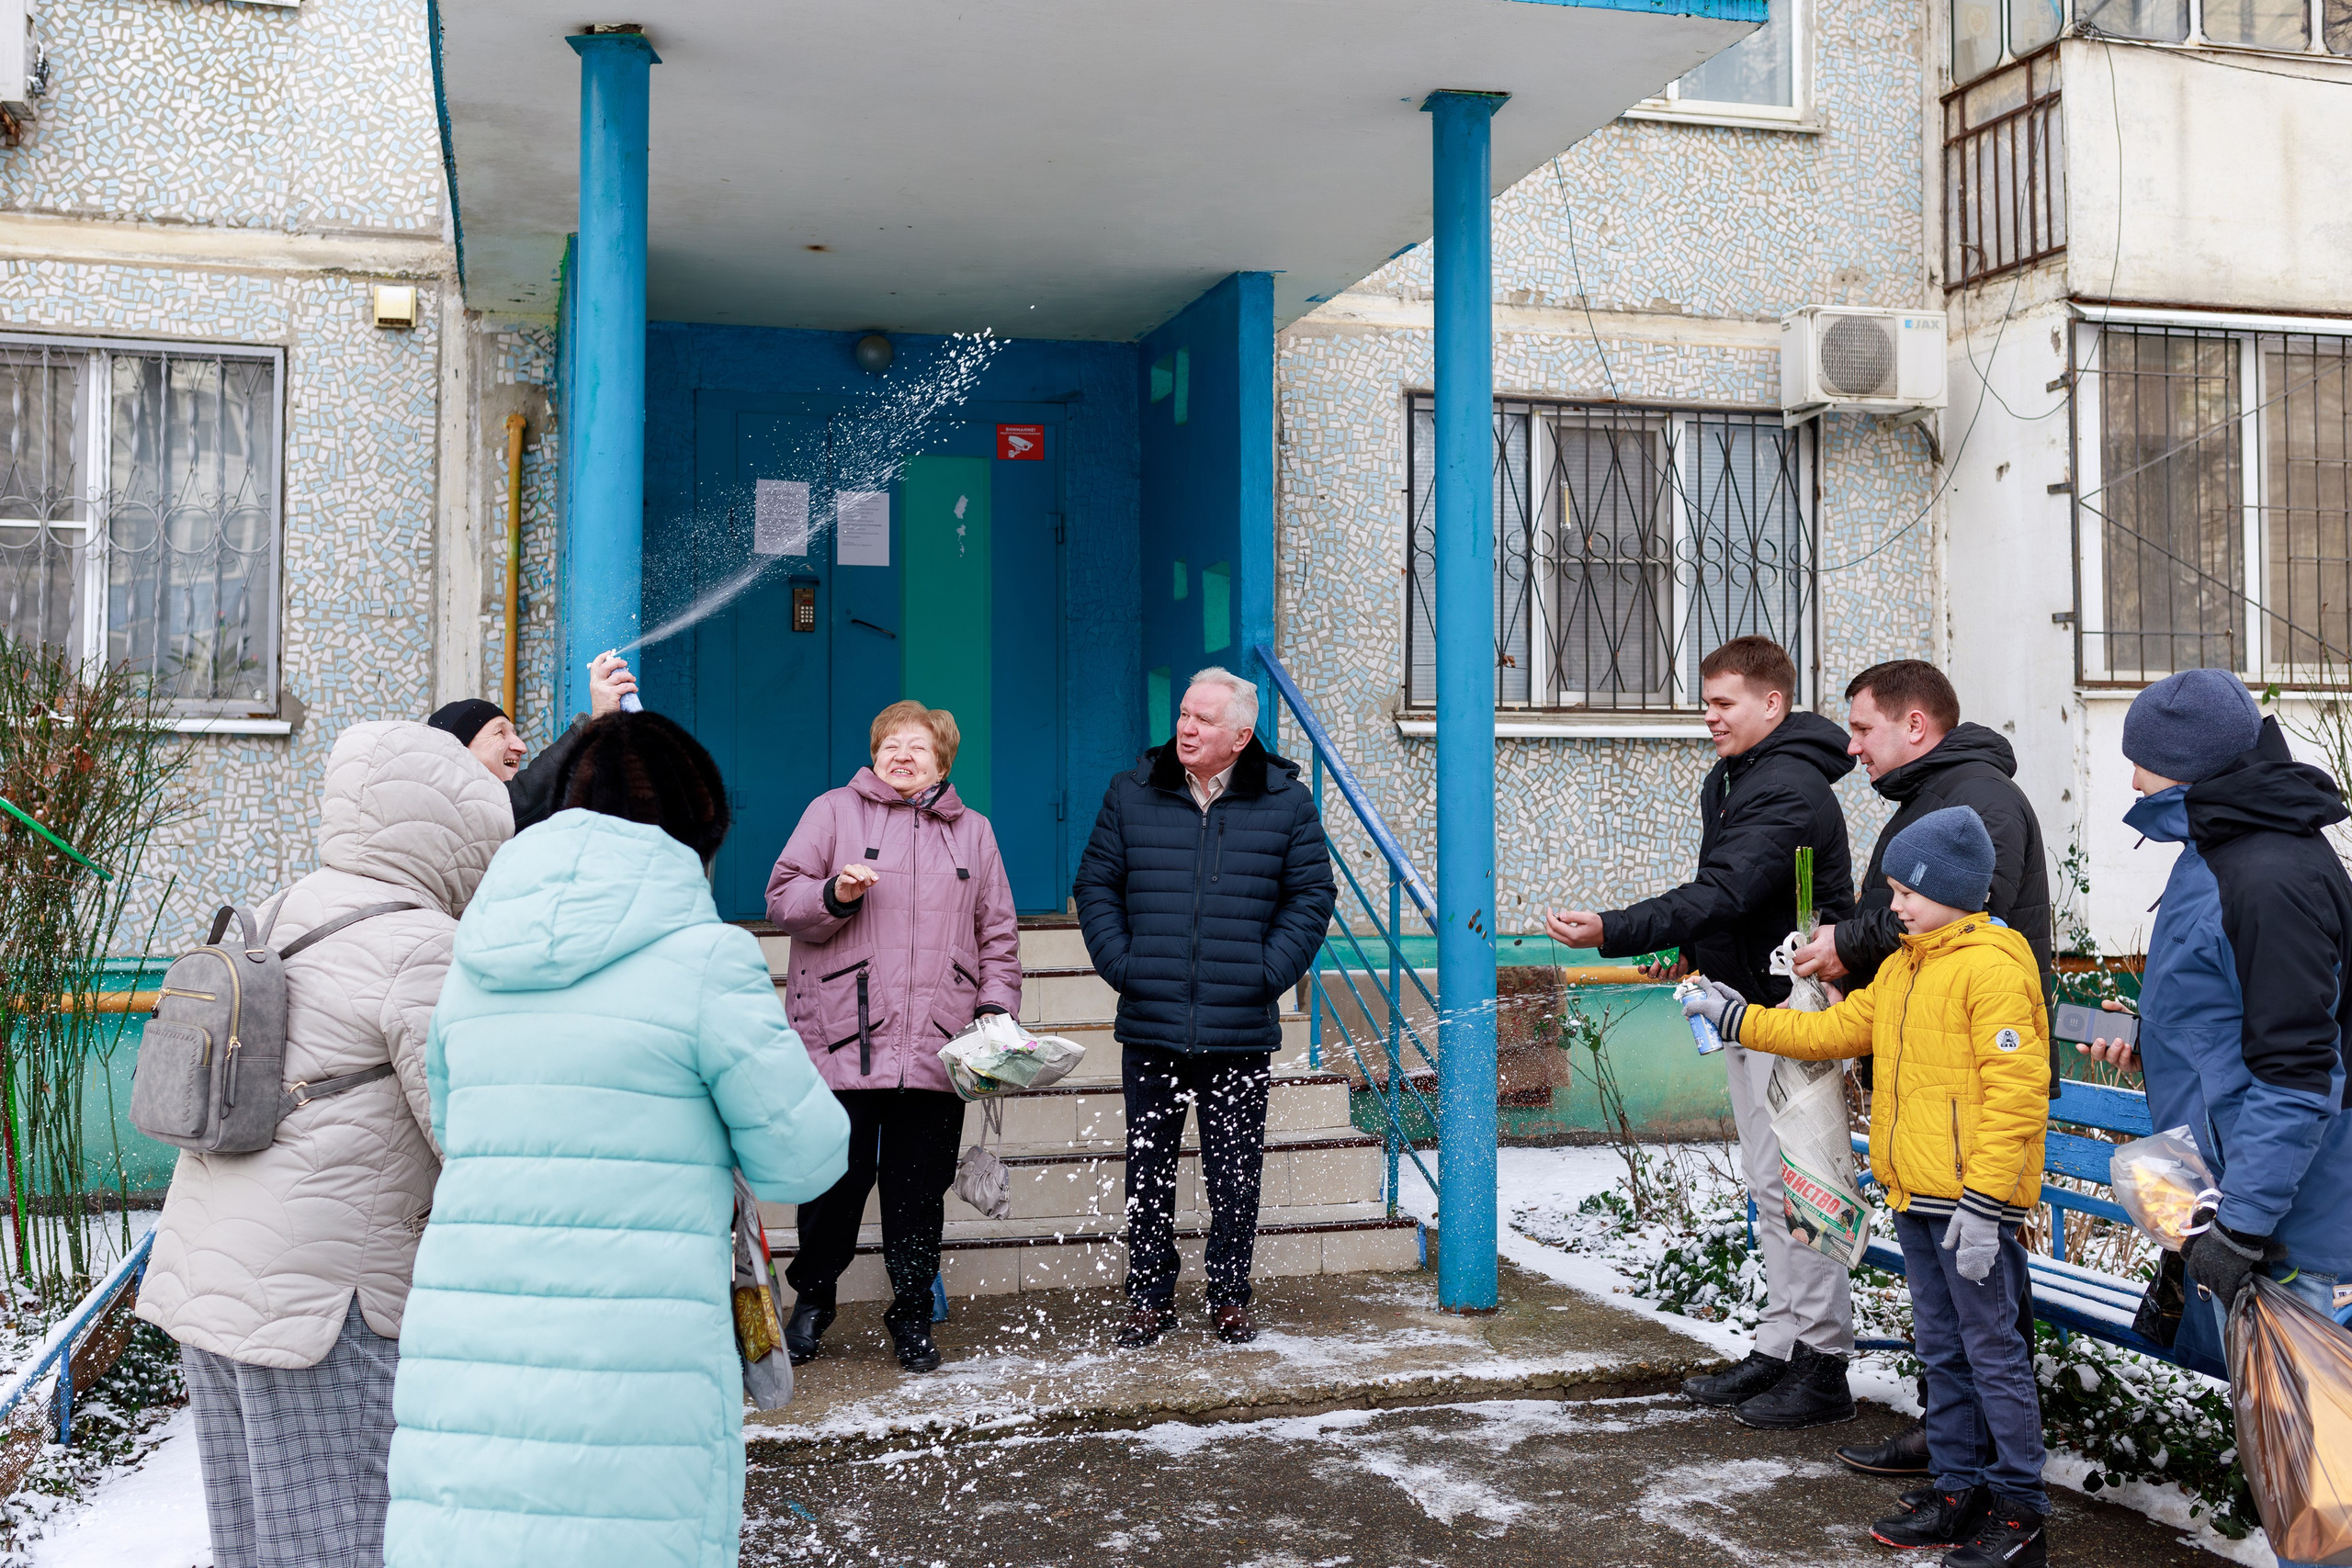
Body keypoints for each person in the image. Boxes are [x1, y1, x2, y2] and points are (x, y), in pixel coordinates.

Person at [382, 711, 850, 1568]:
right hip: (634, 1372)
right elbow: (807, 1154)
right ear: (696, 830)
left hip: (470, 1356)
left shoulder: (476, 961)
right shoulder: (707, 961)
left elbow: (455, 1126)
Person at [136, 720, 514, 1568]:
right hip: (321, 1303)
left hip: (214, 1270)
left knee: (254, 1534)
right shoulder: (425, 944)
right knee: (344, 1536)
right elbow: (473, 1134)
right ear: (458, 827)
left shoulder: (276, 907)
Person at [1684, 806, 2054, 1568]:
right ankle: (1957, 1487)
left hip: (1971, 1207)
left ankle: (2020, 1508)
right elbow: (1829, 1033)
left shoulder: (1991, 966)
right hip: (1917, 1197)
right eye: (1891, 892)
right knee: (1944, 1350)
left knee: (1994, 1354)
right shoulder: (1907, 966)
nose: (1894, 908)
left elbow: (2019, 1091)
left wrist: (1987, 1207)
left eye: (1906, 893)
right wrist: (1738, 1017)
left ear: (1954, 889)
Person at [1545, 635, 1860, 1427]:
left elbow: (1721, 887)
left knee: (1804, 1187)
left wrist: (1614, 927)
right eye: (1707, 701)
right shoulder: (1735, 776)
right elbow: (1736, 901)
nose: (1708, 716)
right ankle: (1782, 1345)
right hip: (1743, 1005)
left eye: (1723, 703)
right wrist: (1689, 954)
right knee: (1769, 1185)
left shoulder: (1788, 788)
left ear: (1771, 704)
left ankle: (1824, 1365)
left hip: (1795, 1013)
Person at [2084, 671, 2351, 1568]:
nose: (2132, 786)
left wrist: (2241, 1227)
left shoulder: (2268, 874)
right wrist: (2151, 1039)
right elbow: (2228, 1013)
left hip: (2291, 1228)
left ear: (2194, 770)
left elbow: (2297, 1075)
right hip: (2245, 1198)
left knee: (2324, 1496)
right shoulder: (2221, 849)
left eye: (2145, 767)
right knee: (2296, 1484)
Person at [1788, 658, 2053, 1479]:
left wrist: (1848, 942)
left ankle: (1995, 1480)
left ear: (1914, 725)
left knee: (1983, 1318)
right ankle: (1957, 1455)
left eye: (1863, 728)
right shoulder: (1937, 795)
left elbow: (1966, 930)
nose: (1852, 746)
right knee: (1949, 1317)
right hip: (1932, 1108)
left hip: (1968, 1118)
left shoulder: (1977, 801)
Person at [1073, 666, 1335, 1348]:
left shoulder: (1287, 802)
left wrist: (1267, 973)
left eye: (1204, 720)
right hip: (1153, 1022)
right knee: (1148, 1170)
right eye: (1184, 714)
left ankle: (1228, 1294)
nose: (1186, 728)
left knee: (1235, 1173)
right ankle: (1150, 1297)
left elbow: (1311, 898)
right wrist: (1124, 965)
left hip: (1240, 1024)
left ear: (1241, 735)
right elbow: (1095, 883)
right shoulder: (1131, 792)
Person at [763, 700, 1022, 1372]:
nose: (901, 755)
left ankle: (910, 1315)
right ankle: (813, 1301)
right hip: (844, 1033)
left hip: (937, 1039)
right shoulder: (833, 812)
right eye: (890, 744)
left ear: (943, 760)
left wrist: (996, 1008)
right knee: (832, 1184)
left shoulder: (975, 832)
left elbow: (997, 933)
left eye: (917, 746)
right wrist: (835, 893)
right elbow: (782, 898)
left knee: (918, 1189)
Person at [426, 650, 639, 830]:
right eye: (500, 733)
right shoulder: (445, 813)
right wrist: (596, 720)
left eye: (515, 734)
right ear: (460, 751)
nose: (522, 747)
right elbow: (518, 802)